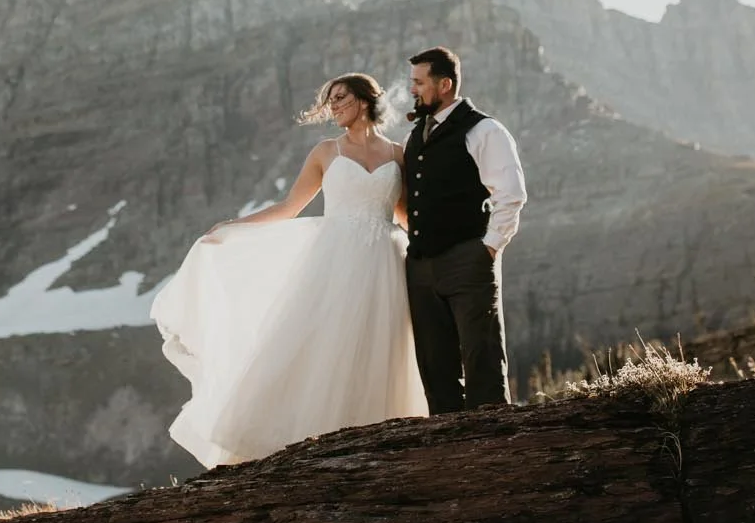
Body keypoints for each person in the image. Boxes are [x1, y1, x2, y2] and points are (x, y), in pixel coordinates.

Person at [150, 73, 429, 467]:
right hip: (334, 262)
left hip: (384, 261)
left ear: (365, 101)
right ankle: (303, 448)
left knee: (380, 347)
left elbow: (404, 216)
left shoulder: (397, 154)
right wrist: (233, 229)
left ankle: (375, 449)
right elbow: (288, 208)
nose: (333, 105)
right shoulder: (325, 152)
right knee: (323, 346)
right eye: (330, 99)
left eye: (340, 98)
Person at [402, 45, 527, 413]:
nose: (413, 90)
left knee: (481, 357)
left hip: (467, 259)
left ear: (445, 84)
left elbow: (511, 195)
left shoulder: (485, 129)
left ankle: (493, 448)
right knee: (435, 363)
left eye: (419, 82)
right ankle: (448, 453)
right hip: (421, 265)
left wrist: (488, 248)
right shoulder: (417, 134)